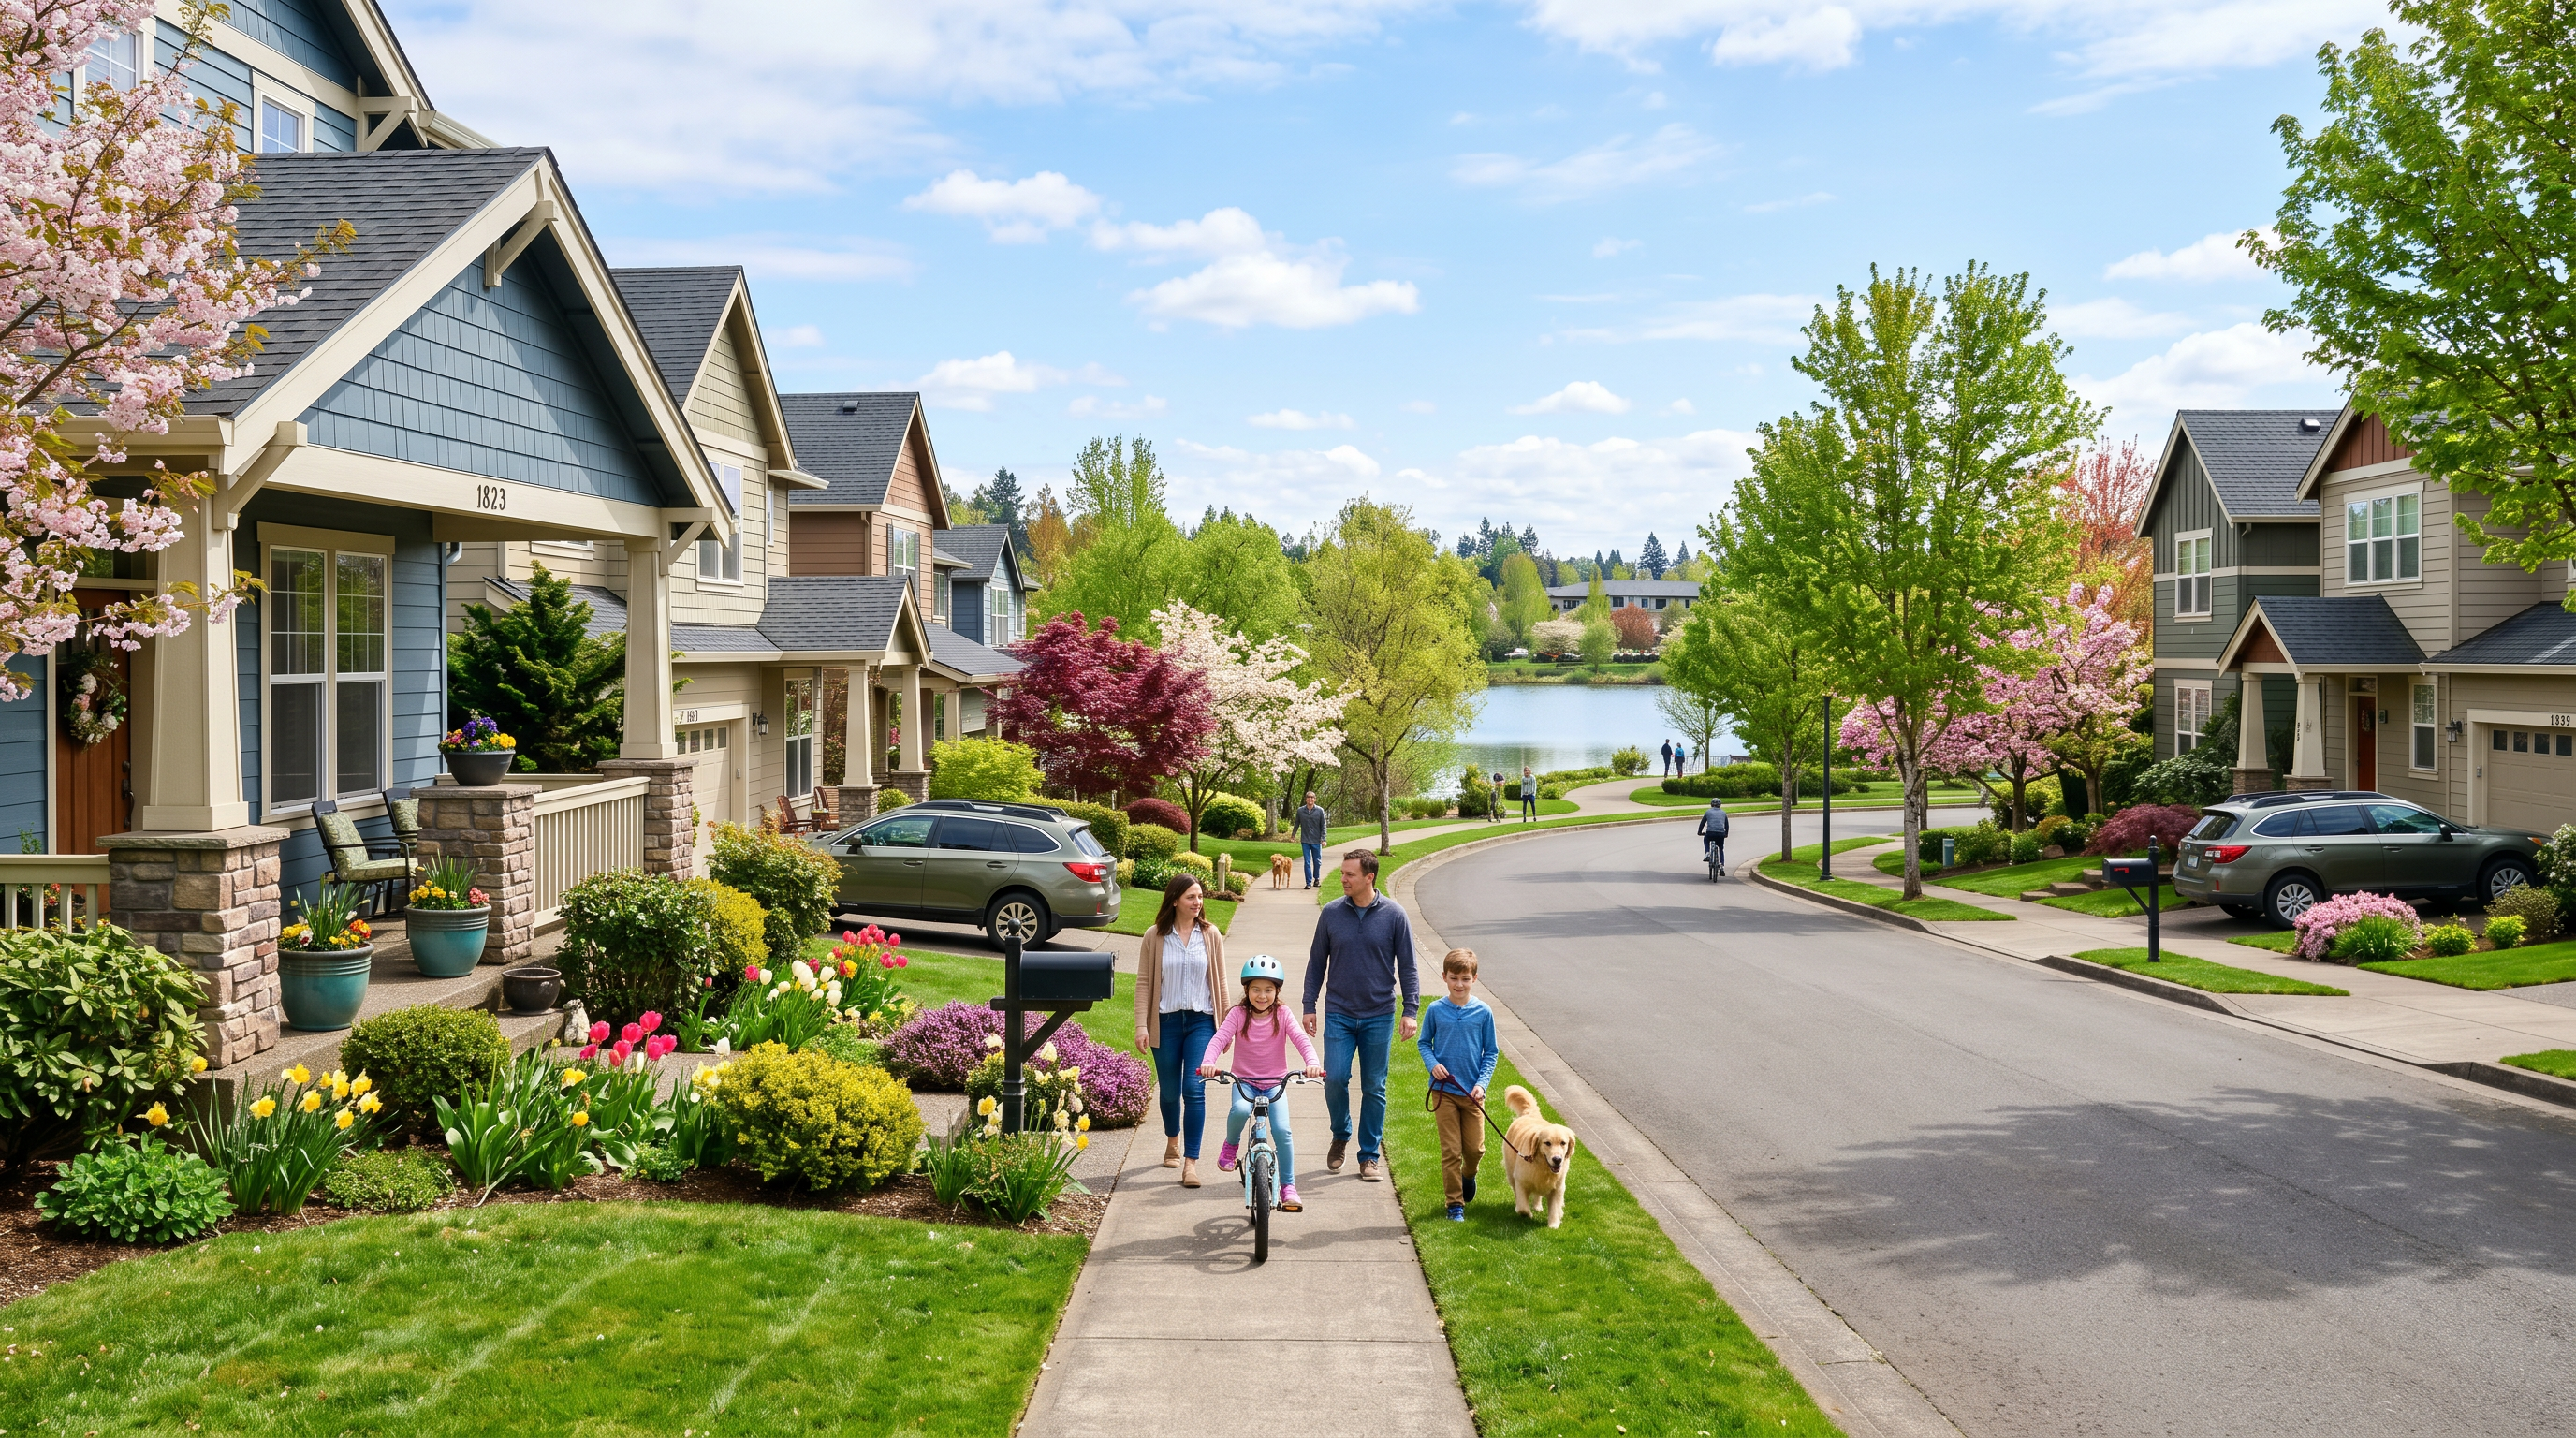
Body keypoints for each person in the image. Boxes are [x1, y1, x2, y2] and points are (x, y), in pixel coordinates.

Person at [1303, 848, 1420, 1181]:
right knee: (1335, 1079)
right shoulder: (1331, 914)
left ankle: (1369, 1156)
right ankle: (1341, 1133)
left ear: (1369, 877)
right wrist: (1309, 1005)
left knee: (1374, 1086)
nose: (1342, 879)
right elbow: (1316, 964)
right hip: (1339, 1012)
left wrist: (1410, 1011)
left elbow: (1409, 967)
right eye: (1342, 873)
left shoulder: (1395, 915)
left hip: (1379, 1015)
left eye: (1349, 875)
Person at [1200, 955, 1323, 1212]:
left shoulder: (1283, 1014)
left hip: (1275, 1083)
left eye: (1268, 990)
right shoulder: (1237, 1014)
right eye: (1256, 989)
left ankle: (1288, 1186)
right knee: (1241, 1110)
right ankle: (1231, 1144)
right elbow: (1219, 1038)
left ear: (1277, 991)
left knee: (1282, 1130)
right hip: (1244, 1082)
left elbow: (1301, 1039)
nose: (1262, 995)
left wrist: (1312, 1062)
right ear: (1246, 990)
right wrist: (1209, 1061)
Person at [1135, 873, 1226, 1189]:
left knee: (1194, 1088)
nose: (1198, 903)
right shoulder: (1155, 936)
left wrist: (1225, 1028)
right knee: (1170, 1092)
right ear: (1175, 900)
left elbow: (1221, 983)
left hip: (1202, 1022)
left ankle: (1191, 1162)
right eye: (1191, 897)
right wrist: (1141, 1026)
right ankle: (1172, 1138)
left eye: (1200, 897)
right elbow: (1144, 983)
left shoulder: (1211, 934)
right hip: (1167, 1023)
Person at [1418, 948, 1500, 1222]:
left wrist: (1482, 1084)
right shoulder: (1435, 1010)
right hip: (1445, 1094)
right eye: (1454, 978)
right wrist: (1433, 1065)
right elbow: (1423, 1043)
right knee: (1451, 1151)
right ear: (1444, 977)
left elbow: (1491, 1052)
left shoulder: (1483, 1012)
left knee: (1475, 1149)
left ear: (1474, 978)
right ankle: (1455, 1204)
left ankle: (1469, 1175)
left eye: (1465, 978)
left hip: (1473, 1094)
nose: (1459, 984)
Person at [1295, 790, 1329, 889]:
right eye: (1308, 797)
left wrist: (1323, 839)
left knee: (1317, 861)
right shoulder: (1300, 810)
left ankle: (1316, 879)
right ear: (1306, 799)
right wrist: (1293, 835)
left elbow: (1323, 825)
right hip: (1305, 840)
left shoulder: (1320, 810)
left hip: (1316, 840)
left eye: (1312, 797)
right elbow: (1297, 823)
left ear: (1315, 799)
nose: (1310, 799)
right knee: (1307, 862)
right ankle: (1308, 882)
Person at [1697, 796, 1731, 873]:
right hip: (1721, 834)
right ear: (1720, 805)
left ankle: (1708, 853)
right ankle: (1722, 865)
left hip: (1710, 833)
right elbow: (1726, 825)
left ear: (1711, 804)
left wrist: (1699, 832)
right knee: (1721, 849)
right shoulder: (1723, 813)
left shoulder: (1708, 812)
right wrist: (1726, 834)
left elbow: (1702, 823)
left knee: (1706, 839)